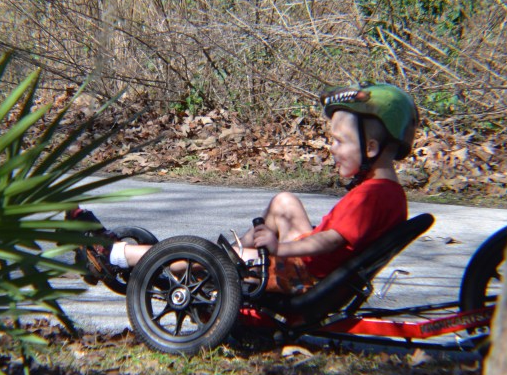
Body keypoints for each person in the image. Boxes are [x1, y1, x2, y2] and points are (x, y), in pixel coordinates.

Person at [68, 82, 418, 295]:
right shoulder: (385, 191)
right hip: (314, 266)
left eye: (340, 142)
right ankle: (236, 254)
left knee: (211, 258)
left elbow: (331, 240)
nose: (332, 149)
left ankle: (112, 255)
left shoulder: (373, 196)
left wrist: (279, 246)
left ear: (371, 148)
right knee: (284, 202)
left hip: (301, 275)